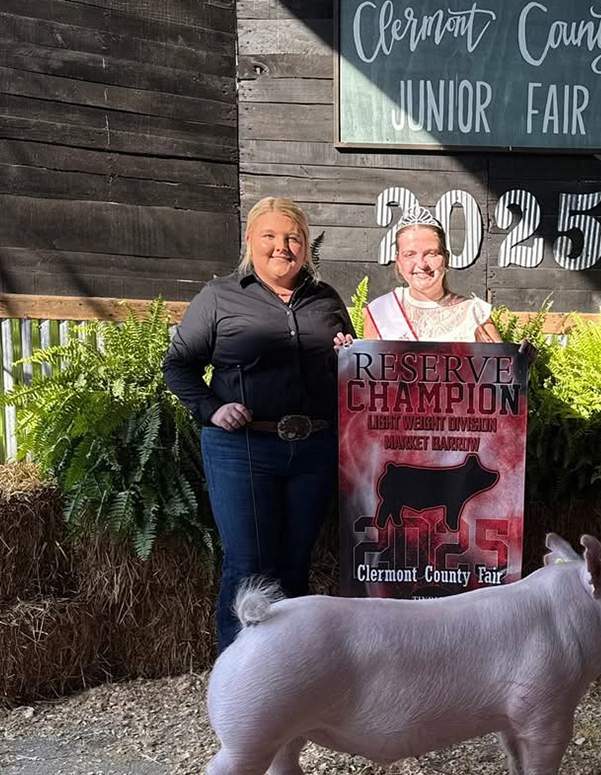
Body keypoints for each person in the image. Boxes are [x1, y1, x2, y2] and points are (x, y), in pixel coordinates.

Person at [163, 197, 354, 653]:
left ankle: (289, 669)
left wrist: (348, 353)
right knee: (249, 564)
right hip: (243, 448)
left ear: (306, 246)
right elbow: (178, 366)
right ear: (250, 240)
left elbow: (351, 370)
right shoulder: (219, 296)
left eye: (293, 238)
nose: (282, 247)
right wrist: (211, 408)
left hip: (313, 449)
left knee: (294, 564)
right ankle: (239, 672)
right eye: (270, 235)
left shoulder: (326, 299)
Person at [363, 206, 504, 343]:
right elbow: (366, 365)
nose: (421, 264)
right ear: (398, 261)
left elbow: (504, 365)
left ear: (446, 259)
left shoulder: (474, 314)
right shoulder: (380, 311)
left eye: (431, 253)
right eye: (409, 254)